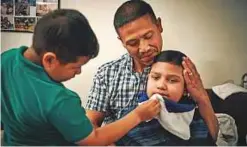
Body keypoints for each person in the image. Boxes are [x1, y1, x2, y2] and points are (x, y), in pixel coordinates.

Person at [1, 9, 161, 146]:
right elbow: (93, 139)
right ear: (50, 60)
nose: (78, 73)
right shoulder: (60, 99)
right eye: (76, 67)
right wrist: (138, 115)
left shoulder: (5, 59)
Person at [86, 0, 218, 145]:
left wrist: (202, 97)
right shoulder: (107, 74)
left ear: (159, 26)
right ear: (122, 41)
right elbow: (88, 128)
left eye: (148, 36)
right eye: (133, 43)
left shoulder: (179, 69)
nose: (144, 48)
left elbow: (210, 134)